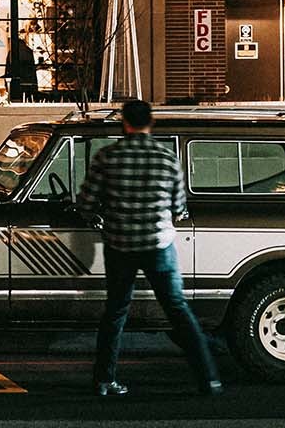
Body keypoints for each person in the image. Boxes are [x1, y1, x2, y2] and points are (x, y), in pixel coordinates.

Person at [76, 99, 222, 398]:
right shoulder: (166, 158)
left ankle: (104, 381)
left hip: (119, 245)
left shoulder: (107, 156)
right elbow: (179, 207)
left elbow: (86, 202)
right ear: (149, 123)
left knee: (116, 311)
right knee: (178, 309)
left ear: (124, 123)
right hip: (158, 244)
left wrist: (101, 216)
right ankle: (209, 378)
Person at [6, 30, 38, 101]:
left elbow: (8, 68)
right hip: (27, 80)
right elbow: (32, 69)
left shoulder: (11, 53)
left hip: (15, 82)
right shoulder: (28, 51)